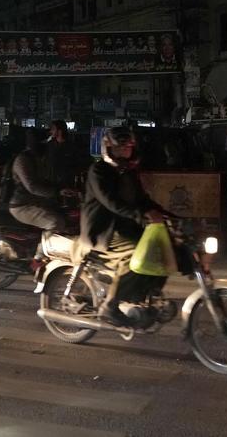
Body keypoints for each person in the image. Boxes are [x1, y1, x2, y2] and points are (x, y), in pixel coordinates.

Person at [80, 127, 166, 327]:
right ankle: (110, 305)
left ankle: (142, 297)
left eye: (128, 148)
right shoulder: (98, 170)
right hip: (103, 230)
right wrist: (141, 214)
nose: (125, 152)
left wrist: (165, 214)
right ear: (109, 149)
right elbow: (111, 202)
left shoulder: (128, 173)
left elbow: (143, 200)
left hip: (125, 227)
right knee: (137, 256)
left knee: (161, 252)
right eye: (120, 148)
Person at [8, 129, 65, 233]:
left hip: (36, 201)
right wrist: (56, 192)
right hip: (22, 205)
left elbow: (45, 181)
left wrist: (61, 189)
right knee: (56, 222)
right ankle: (42, 249)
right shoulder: (22, 160)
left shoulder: (37, 158)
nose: (46, 146)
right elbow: (32, 187)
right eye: (43, 142)